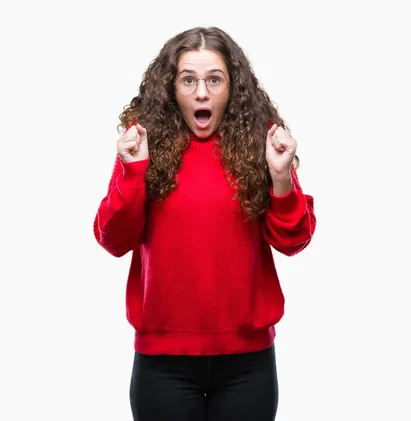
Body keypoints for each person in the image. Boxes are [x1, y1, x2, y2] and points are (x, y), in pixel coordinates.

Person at [93, 26, 316, 421]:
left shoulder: (259, 143)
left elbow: (293, 240)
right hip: (163, 366)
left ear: (233, 86)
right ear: (170, 88)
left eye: (214, 80)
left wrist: (281, 180)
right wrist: (131, 174)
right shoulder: (143, 144)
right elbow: (114, 239)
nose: (201, 93)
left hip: (248, 366)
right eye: (188, 80)